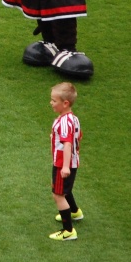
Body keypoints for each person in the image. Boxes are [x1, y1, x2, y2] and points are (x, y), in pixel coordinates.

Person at [49, 81, 83, 241]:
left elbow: (67, 144)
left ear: (65, 103)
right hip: (71, 162)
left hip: (62, 163)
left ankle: (68, 231)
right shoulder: (73, 119)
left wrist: (65, 167)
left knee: (58, 195)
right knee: (64, 189)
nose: (51, 103)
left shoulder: (64, 122)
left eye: (54, 100)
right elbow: (78, 137)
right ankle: (75, 212)